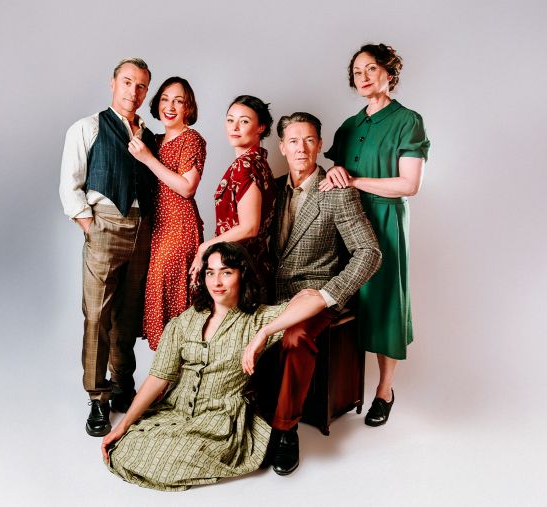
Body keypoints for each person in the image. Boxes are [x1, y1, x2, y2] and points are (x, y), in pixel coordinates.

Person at [101, 242, 328, 491]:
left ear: (243, 274)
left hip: (220, 421)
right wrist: (122, 426)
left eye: (226, 272)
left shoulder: (258, 318)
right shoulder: (184, 321)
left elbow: (314, 298)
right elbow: (158, 378)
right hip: (175, 412)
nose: (216, 281)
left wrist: (264, 333)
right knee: (127, 447)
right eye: (210, 272)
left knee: (175, 457)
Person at [260, 112, 381, 475]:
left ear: (320, 144)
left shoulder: (336, 191)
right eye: (293, 141)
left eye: (309, 140)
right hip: (273, 294)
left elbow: (369, 251)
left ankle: (285, 432)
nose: (301, 148)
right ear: (281, 147)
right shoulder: (275, 189)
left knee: (295, 337)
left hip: (315, 295)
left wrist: (330, 294)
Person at [321, 43, 431, 427]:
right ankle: (342, 389)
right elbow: (333, 177)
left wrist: (355, 181)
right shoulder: (348, 127)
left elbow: (409, 184)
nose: (363, 78)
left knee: (385, 305)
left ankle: (384, 390)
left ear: (389, 73)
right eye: (356, 73)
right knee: (346, 306)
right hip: (346, 223)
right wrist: (337, 177)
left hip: (385, 222)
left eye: (370, 69)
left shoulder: (408, 121)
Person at [58, 57, 158, 437]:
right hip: (104, 225)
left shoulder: (147, 135)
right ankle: (97, 399)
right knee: (98, 315)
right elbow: (71, 183)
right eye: (128, 82)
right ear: (113, 83)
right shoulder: (88, 127)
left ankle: (122, 386)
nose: (134, 91)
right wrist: (89, 224)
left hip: (141, 229)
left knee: (128, 315)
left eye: (142, 86)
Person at [127, 77, 207, 351]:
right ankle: (167, 380)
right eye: (165, 99)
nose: (170, 106)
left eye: (178, 100)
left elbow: (187, 188)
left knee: (172, 296)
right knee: (155, 296)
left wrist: (148, 158)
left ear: (188, 107)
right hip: (156, 227)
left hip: (179, 226)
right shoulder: (155, 139)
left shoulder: (192, 139)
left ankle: (177, 383)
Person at [190, 95, 276, 293]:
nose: (234, 127)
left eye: (244, 121)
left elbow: (249, 228)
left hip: (240, 268)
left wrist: (204, 247)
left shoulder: (244, 166)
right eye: (230, 120)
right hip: (253, 263)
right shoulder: (260, 163)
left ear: (261, 127)